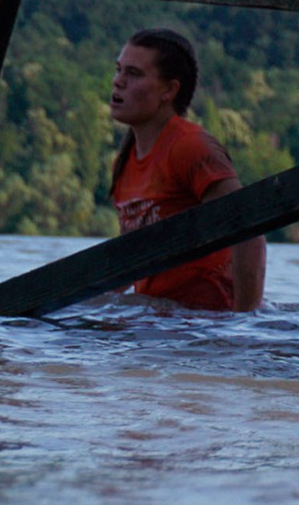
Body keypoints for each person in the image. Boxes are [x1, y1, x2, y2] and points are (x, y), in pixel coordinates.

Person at [107, 30, 265, 311]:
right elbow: (127, 261)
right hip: (157, 325)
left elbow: (249, 229)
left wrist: (244, 324)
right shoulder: (125, 160)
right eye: (119, 70)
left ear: (169, 90)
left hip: (203, 328)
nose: (118, 81)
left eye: (134, 74)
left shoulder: (189, 147)